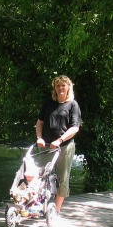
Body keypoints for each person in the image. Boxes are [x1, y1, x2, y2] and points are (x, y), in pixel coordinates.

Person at [35, 75, 81, 216]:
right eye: (58, 85)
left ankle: (56, 210)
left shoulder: (73, 105)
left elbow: (75, 128)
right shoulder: (48, 103)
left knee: (62, 177)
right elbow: (40, 122)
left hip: (64, 146)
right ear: (54, 88)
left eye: (63, 85)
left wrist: (60, 140)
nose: (60, 88)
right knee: (41, 175)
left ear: (68, 87)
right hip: (46, 146)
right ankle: (39, 207)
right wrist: (39, 138)